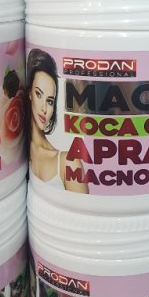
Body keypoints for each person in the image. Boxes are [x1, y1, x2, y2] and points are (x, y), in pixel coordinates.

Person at [27, 48, 88, 193]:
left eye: (49, 101)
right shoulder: (19, 153)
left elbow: (83, 207)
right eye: (38, 94)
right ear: (29, 94)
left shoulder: (68, 163)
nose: (44, 108)